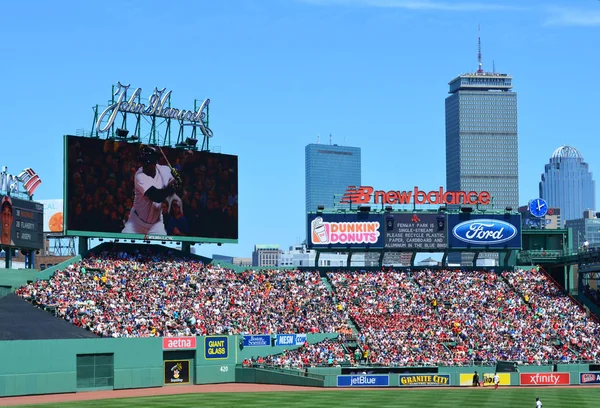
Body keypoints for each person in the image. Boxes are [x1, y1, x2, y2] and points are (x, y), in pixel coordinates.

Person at [122, 146, 178, 235]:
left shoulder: (165, 170)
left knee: (163, 246)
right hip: (136, 222)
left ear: (154, 163)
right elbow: (156, 196)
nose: (145, 166)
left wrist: (178, 179)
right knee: (123, 242)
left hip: (156, 223)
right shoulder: (140, 176)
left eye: (148, 163)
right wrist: (171, 188)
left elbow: (177, 183)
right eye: (143, 163)